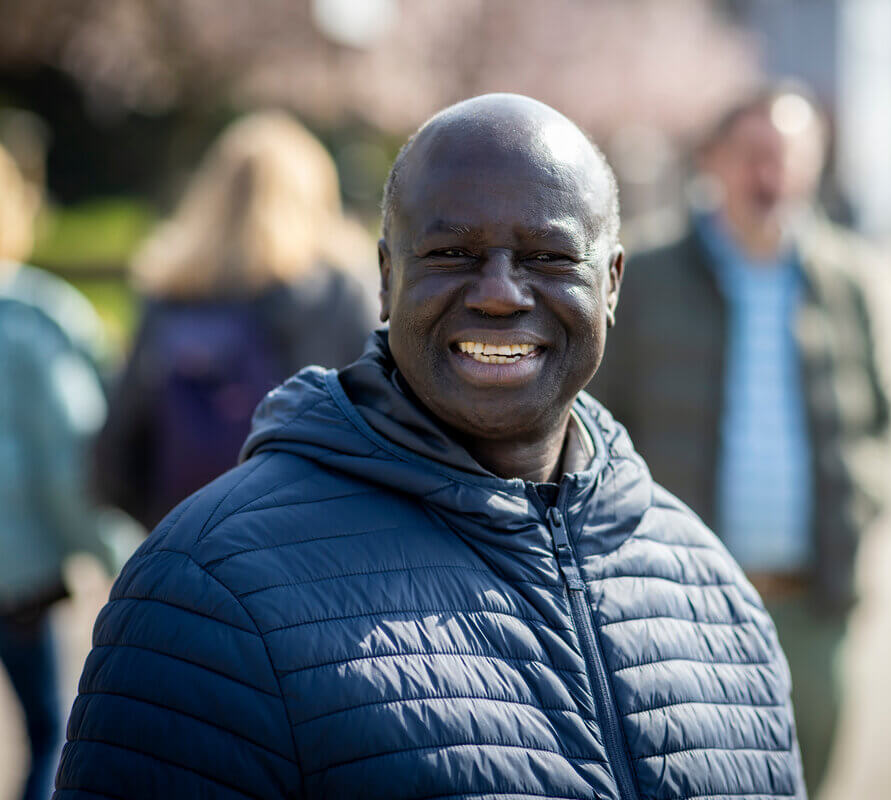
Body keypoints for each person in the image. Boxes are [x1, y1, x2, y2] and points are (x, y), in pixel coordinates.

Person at [55, 94, 805, 799]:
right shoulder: (206, 593)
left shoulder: (710, 592)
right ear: (386, 278)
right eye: (452, 253)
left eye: (548, 257)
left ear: (611, 283)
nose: (500, 292)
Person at [591, 85, 890, 796]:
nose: (772, 176)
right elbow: (597, 423)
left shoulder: (844, 280)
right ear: (713, 162)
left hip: (811, 605)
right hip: (675, 608)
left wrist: (864, 503)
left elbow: (880, 415)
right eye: (754, 156)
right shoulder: (646, 278)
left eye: (791, 159)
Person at [94, 110, 377, 531]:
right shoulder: (339, 294)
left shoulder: (170, 295)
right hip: (306, 544)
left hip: (183, 542)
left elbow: (114, 457)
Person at [0, 140, 114, 800]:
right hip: (19, 575)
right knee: (50, 730)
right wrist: (112, 551)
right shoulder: (39, 316)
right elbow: (68, 454)